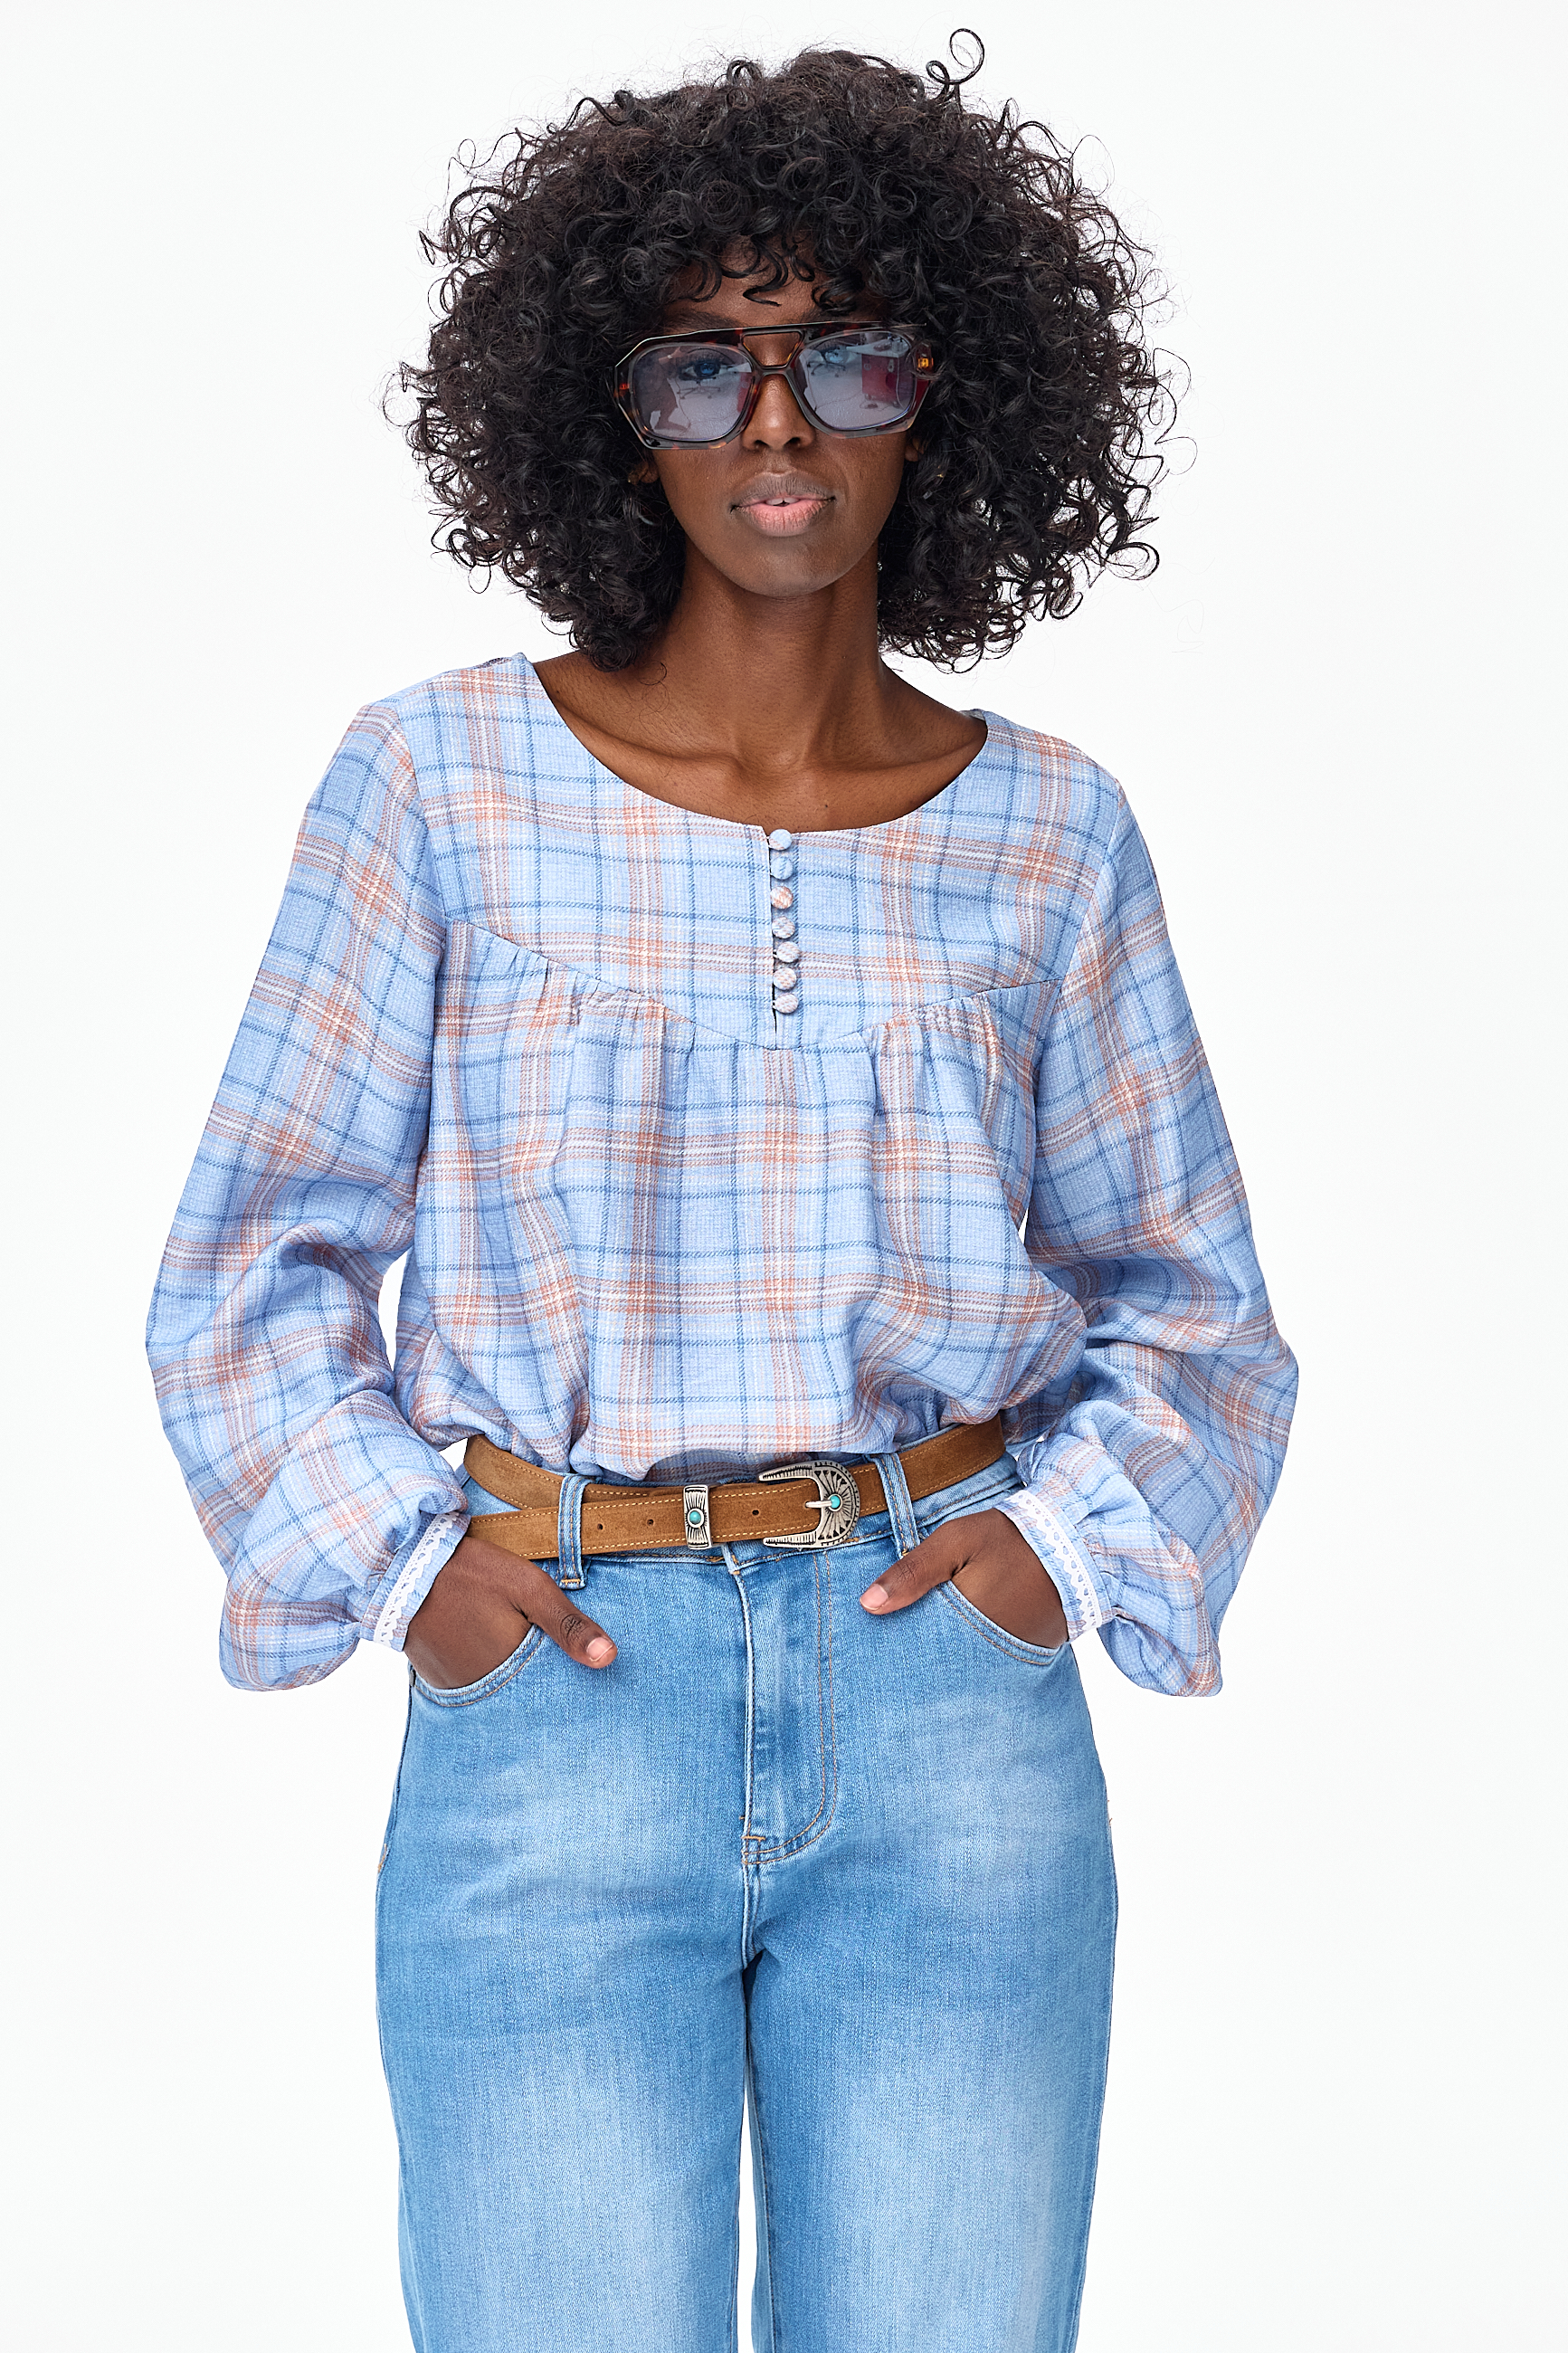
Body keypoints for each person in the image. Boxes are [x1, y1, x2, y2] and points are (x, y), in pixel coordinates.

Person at [147, 38, 1297, 2353]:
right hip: (558, 1688)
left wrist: (1047, 1563)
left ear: (938, 391)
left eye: (841, 357)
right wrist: (421, 1578)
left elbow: (1193, 1312)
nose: (777, 425)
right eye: (705, 366)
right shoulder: (438, 782)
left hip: (946, 1708)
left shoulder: (1052, 832)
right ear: (619, 413)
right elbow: (248, 1275)